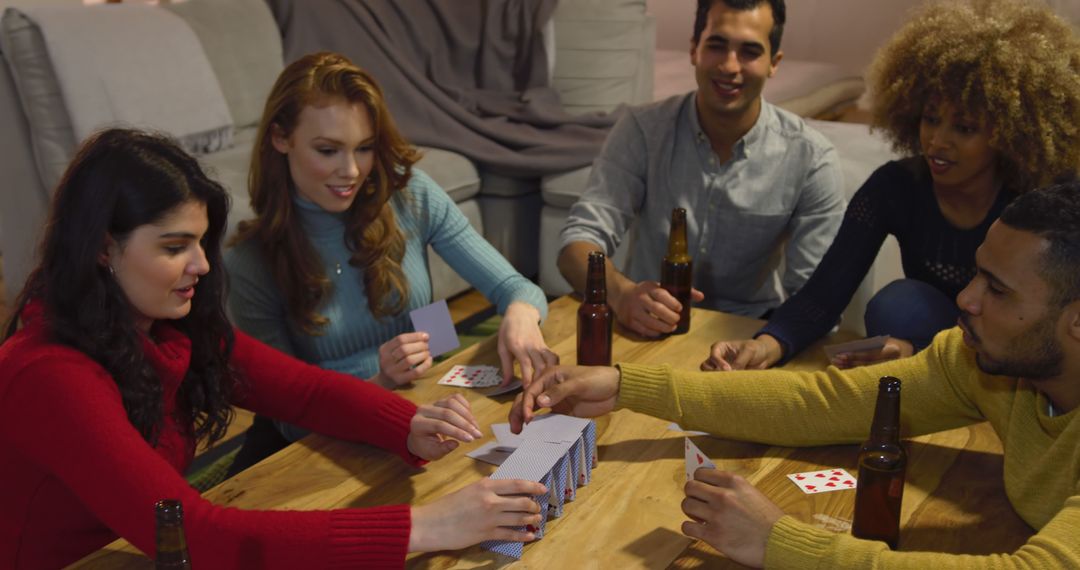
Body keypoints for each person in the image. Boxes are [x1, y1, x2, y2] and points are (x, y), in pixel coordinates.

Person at [0, 129, 547, 569]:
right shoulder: (49, 374)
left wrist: (404, 424)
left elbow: (301, 391)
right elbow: (196, 532)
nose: (202, 265)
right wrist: (426, 526)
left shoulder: (168, 324)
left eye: (200, 242)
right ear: (102, 248)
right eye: (174, 247)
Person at [511, 182, 1080, 567]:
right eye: (977, 275)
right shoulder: (975, 361)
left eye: (997, 290)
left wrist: (781, 542)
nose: (966, 298)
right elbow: (824, 403)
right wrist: (627, 385)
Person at [703, 0, 1080, 371]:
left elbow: (1049, 321)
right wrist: (767, 345)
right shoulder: (895, 187)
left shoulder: (1041, 200)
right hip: (938, 341)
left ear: (1009, 132)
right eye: (930, 119)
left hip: (1018, 344)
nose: (937, 141)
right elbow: (824, 294)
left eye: (964, 128)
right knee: (899, 303)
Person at [225, 52, 556, 444]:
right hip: (328, 442)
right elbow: (291, 423)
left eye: (363, 148)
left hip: (424, 405)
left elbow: (517, 288)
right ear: (281, 138)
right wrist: (380, 381)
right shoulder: (250, 260)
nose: (350, 171)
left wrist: (520, 313)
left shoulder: (410, 195)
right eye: (328, 150)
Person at [557, 0, 845, 337]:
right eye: (716, 46)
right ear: (694, 49)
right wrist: (622, 295)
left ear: (773, 63)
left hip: (752, 331)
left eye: (750, 51)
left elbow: (816, 294)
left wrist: (772, 344)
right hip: (648, 324)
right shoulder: (641, 129)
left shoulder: (811, 157)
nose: (729, 66)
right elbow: (577, 243)